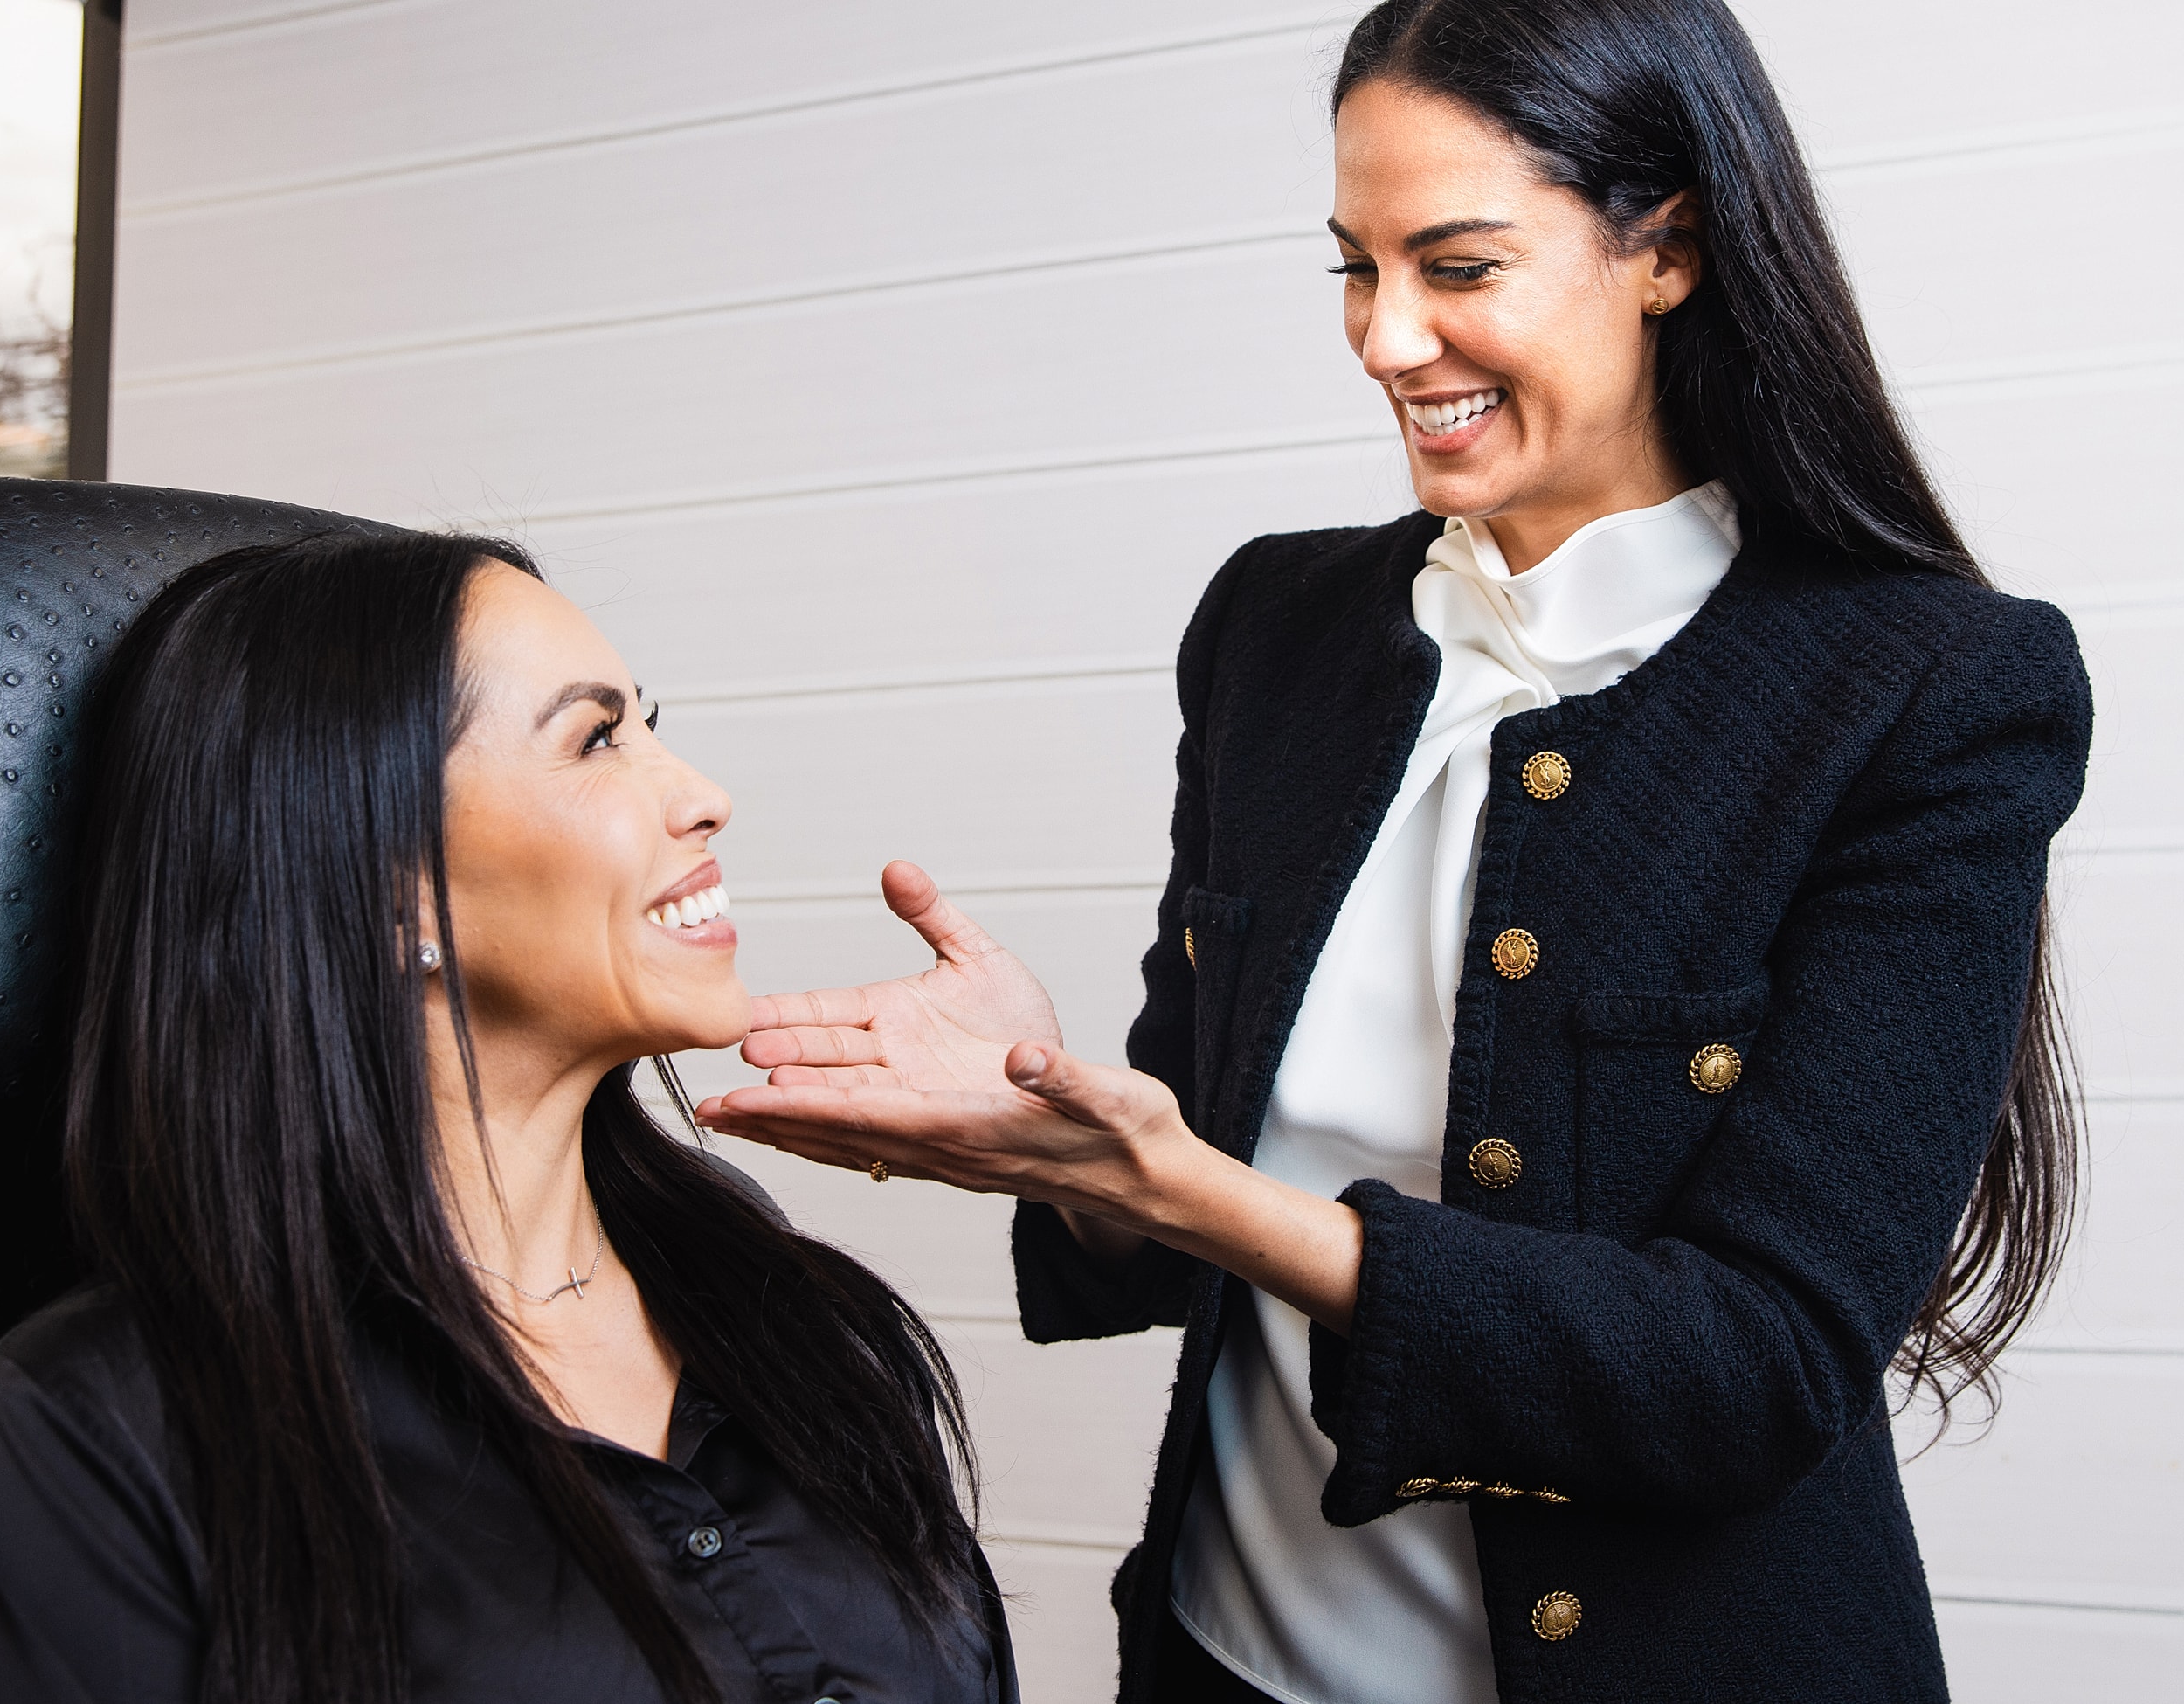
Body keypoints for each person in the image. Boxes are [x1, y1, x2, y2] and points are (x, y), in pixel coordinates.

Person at [693, 2, 2094, 1701]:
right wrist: (1047, 1113)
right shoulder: (1278, 628)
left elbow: (1758, 1365)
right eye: (1352, 269)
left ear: (1669, 250)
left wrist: (1180, 1186)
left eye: (1457, 265)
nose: (1384, 336)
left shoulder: (1925, 691)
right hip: (1223, 1656)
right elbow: (1185, 1142)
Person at [0, 531, 1014, 1704]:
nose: (702, 794)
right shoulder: (95, 1430)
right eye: (597, 738)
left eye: (649, 721)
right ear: (393, 893)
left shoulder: (758, 1285)